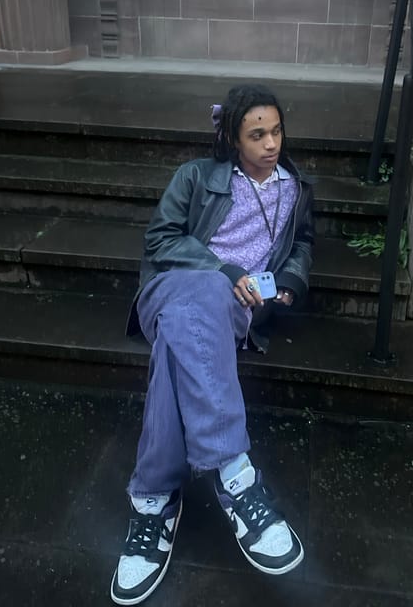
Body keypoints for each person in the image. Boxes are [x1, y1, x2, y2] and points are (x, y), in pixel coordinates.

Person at [110, 84, 314, 605]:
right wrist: (223, 269)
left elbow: (303, 244)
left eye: (276, 131)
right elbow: (161, 241)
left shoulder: (295, 189)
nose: (271, 143)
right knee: (196, 296)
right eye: (257, 134)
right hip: (174, 285)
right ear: (232, 138)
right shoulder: (197, 176)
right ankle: (236, 475)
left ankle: (154, 500)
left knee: (176, 348)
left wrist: (289, 276)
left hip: (233, 309)